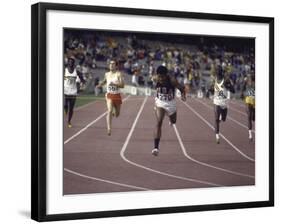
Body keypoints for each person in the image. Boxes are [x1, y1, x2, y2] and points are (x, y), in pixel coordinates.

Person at [151, 65, 186, 156]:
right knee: (159, 122)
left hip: (171, 103)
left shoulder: (172, 81)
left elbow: (182, 88)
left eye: (162, 76)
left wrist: (183, 95)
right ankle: (156, 147)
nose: (160, 78)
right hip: (160, 102)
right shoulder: (155, 78)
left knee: (174, 121)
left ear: (166, 75)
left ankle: (170, 119)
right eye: (159, 76)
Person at [97, 59, 125, 136]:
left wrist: (115, 84)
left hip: (117, 95)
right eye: (110, 64)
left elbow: (122, 85)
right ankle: (109, 128)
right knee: (109, 111)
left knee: (117, 114)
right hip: (109, 95)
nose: (111, 65)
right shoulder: (107, 74)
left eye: (113, 64)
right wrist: (100, 85)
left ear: (116, 66)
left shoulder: (119, 74)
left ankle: (114, 112)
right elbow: (104, 81)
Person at [212, 64, 235, 143]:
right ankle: (217, 136)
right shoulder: (214, 79)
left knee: (223, 119)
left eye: (219, 71)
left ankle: (222, 116)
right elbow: (212, 88)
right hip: (216, 101)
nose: (217, 72)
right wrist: (210, 89)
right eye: (217, 71)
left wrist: (228, 86)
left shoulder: (226, 80)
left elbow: (233, 90)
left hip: (224, 102)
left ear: (221, 72)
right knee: (216, 119)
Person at [64, 56, 85, 128]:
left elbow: (82, 79)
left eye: (72, 61)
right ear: (68, 62)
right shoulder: (64, 70)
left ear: (73, 63)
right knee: (65, 105)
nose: (70, 62)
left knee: (71, 108)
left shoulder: (76, 71)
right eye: (69, 61)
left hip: (73, 92)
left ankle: (69, 121)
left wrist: (82, 84)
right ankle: (65, 109)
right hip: (66, 91)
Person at [241, 74, 255, 141]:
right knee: (249, 117)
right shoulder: (246, 83)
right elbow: (242, 89)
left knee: (253, 118)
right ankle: (250, 134)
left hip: (255, 101)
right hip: (248, 100)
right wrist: (244, 82)